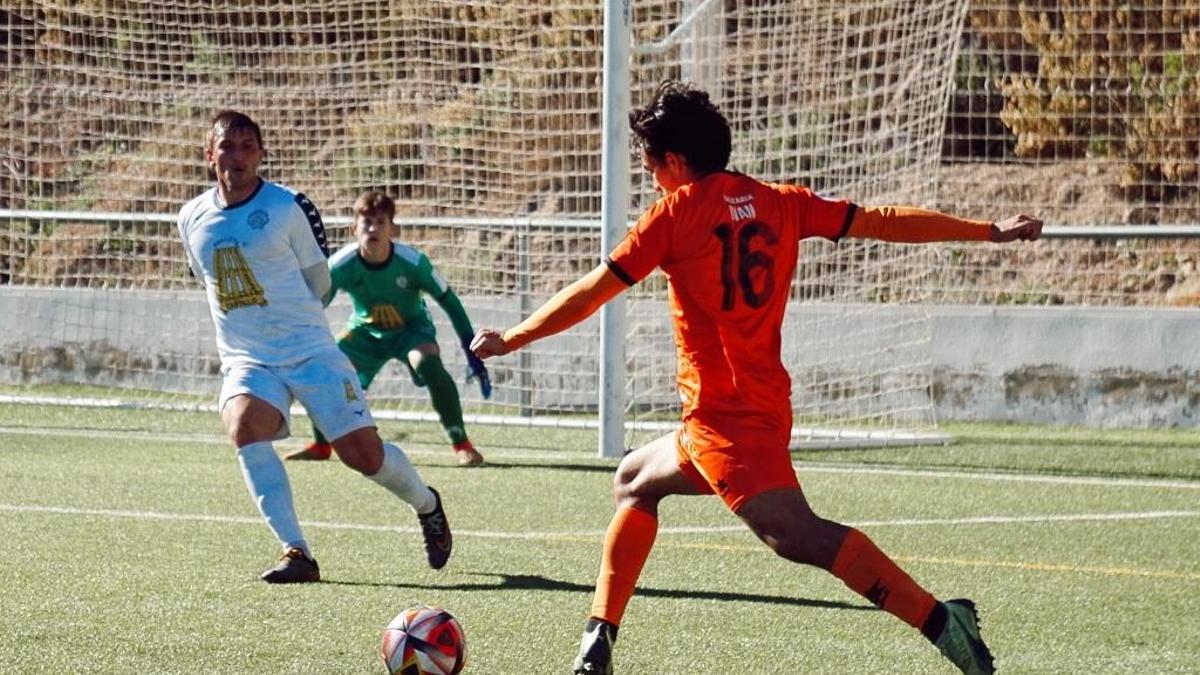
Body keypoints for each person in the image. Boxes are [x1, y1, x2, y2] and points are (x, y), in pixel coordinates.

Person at [471, 81, 1042, 674]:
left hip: (727, 420)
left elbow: (592, 292)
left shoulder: (673, 214)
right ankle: (598, 638)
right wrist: (986, 230)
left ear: (674, 161)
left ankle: (943, 621)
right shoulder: (782, 201)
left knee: (795, 536)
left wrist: (512, 338)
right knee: (636, 479)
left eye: (649, 163)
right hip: (748, 408)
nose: (648, 175)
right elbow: (881, 220)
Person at [176, 110, 453, 584]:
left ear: (261, 154)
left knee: (362, 456)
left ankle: (427, 504)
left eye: (247, 146)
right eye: (227, 146)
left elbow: (319, 281)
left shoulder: (289, 207)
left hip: (311, 351)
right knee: (244, 425)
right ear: (209, 155)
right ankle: (296, 551)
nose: (237, 155)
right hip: (248, 359)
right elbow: (206, 281)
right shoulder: (190, 217)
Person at [284, 190, 491, 467]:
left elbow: (451, 303)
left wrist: (471, 351)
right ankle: (322, 445)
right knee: (327, 370)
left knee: (427, 364)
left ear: (392, 228)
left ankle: (462, 444)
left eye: (381, 222)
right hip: (366, 333)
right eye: (366, 221)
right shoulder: (341, 265)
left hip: (411, 330)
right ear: (353, 228)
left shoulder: (414, 263)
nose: (373, 228)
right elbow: (314, 306)